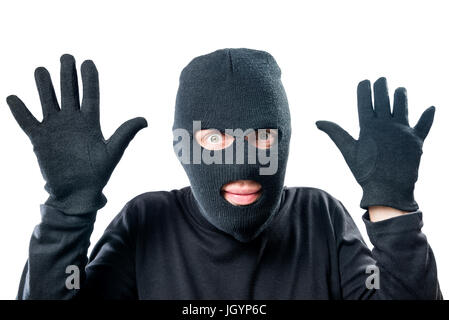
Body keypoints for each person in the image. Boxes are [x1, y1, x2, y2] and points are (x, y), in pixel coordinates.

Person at [8, 49, 441, 299]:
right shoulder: (145, 223)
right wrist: (68, 210)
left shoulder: (320, 219)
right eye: (214, 140)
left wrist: (393, 209)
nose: (243, 163)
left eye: (263, 138)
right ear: (184, 145)